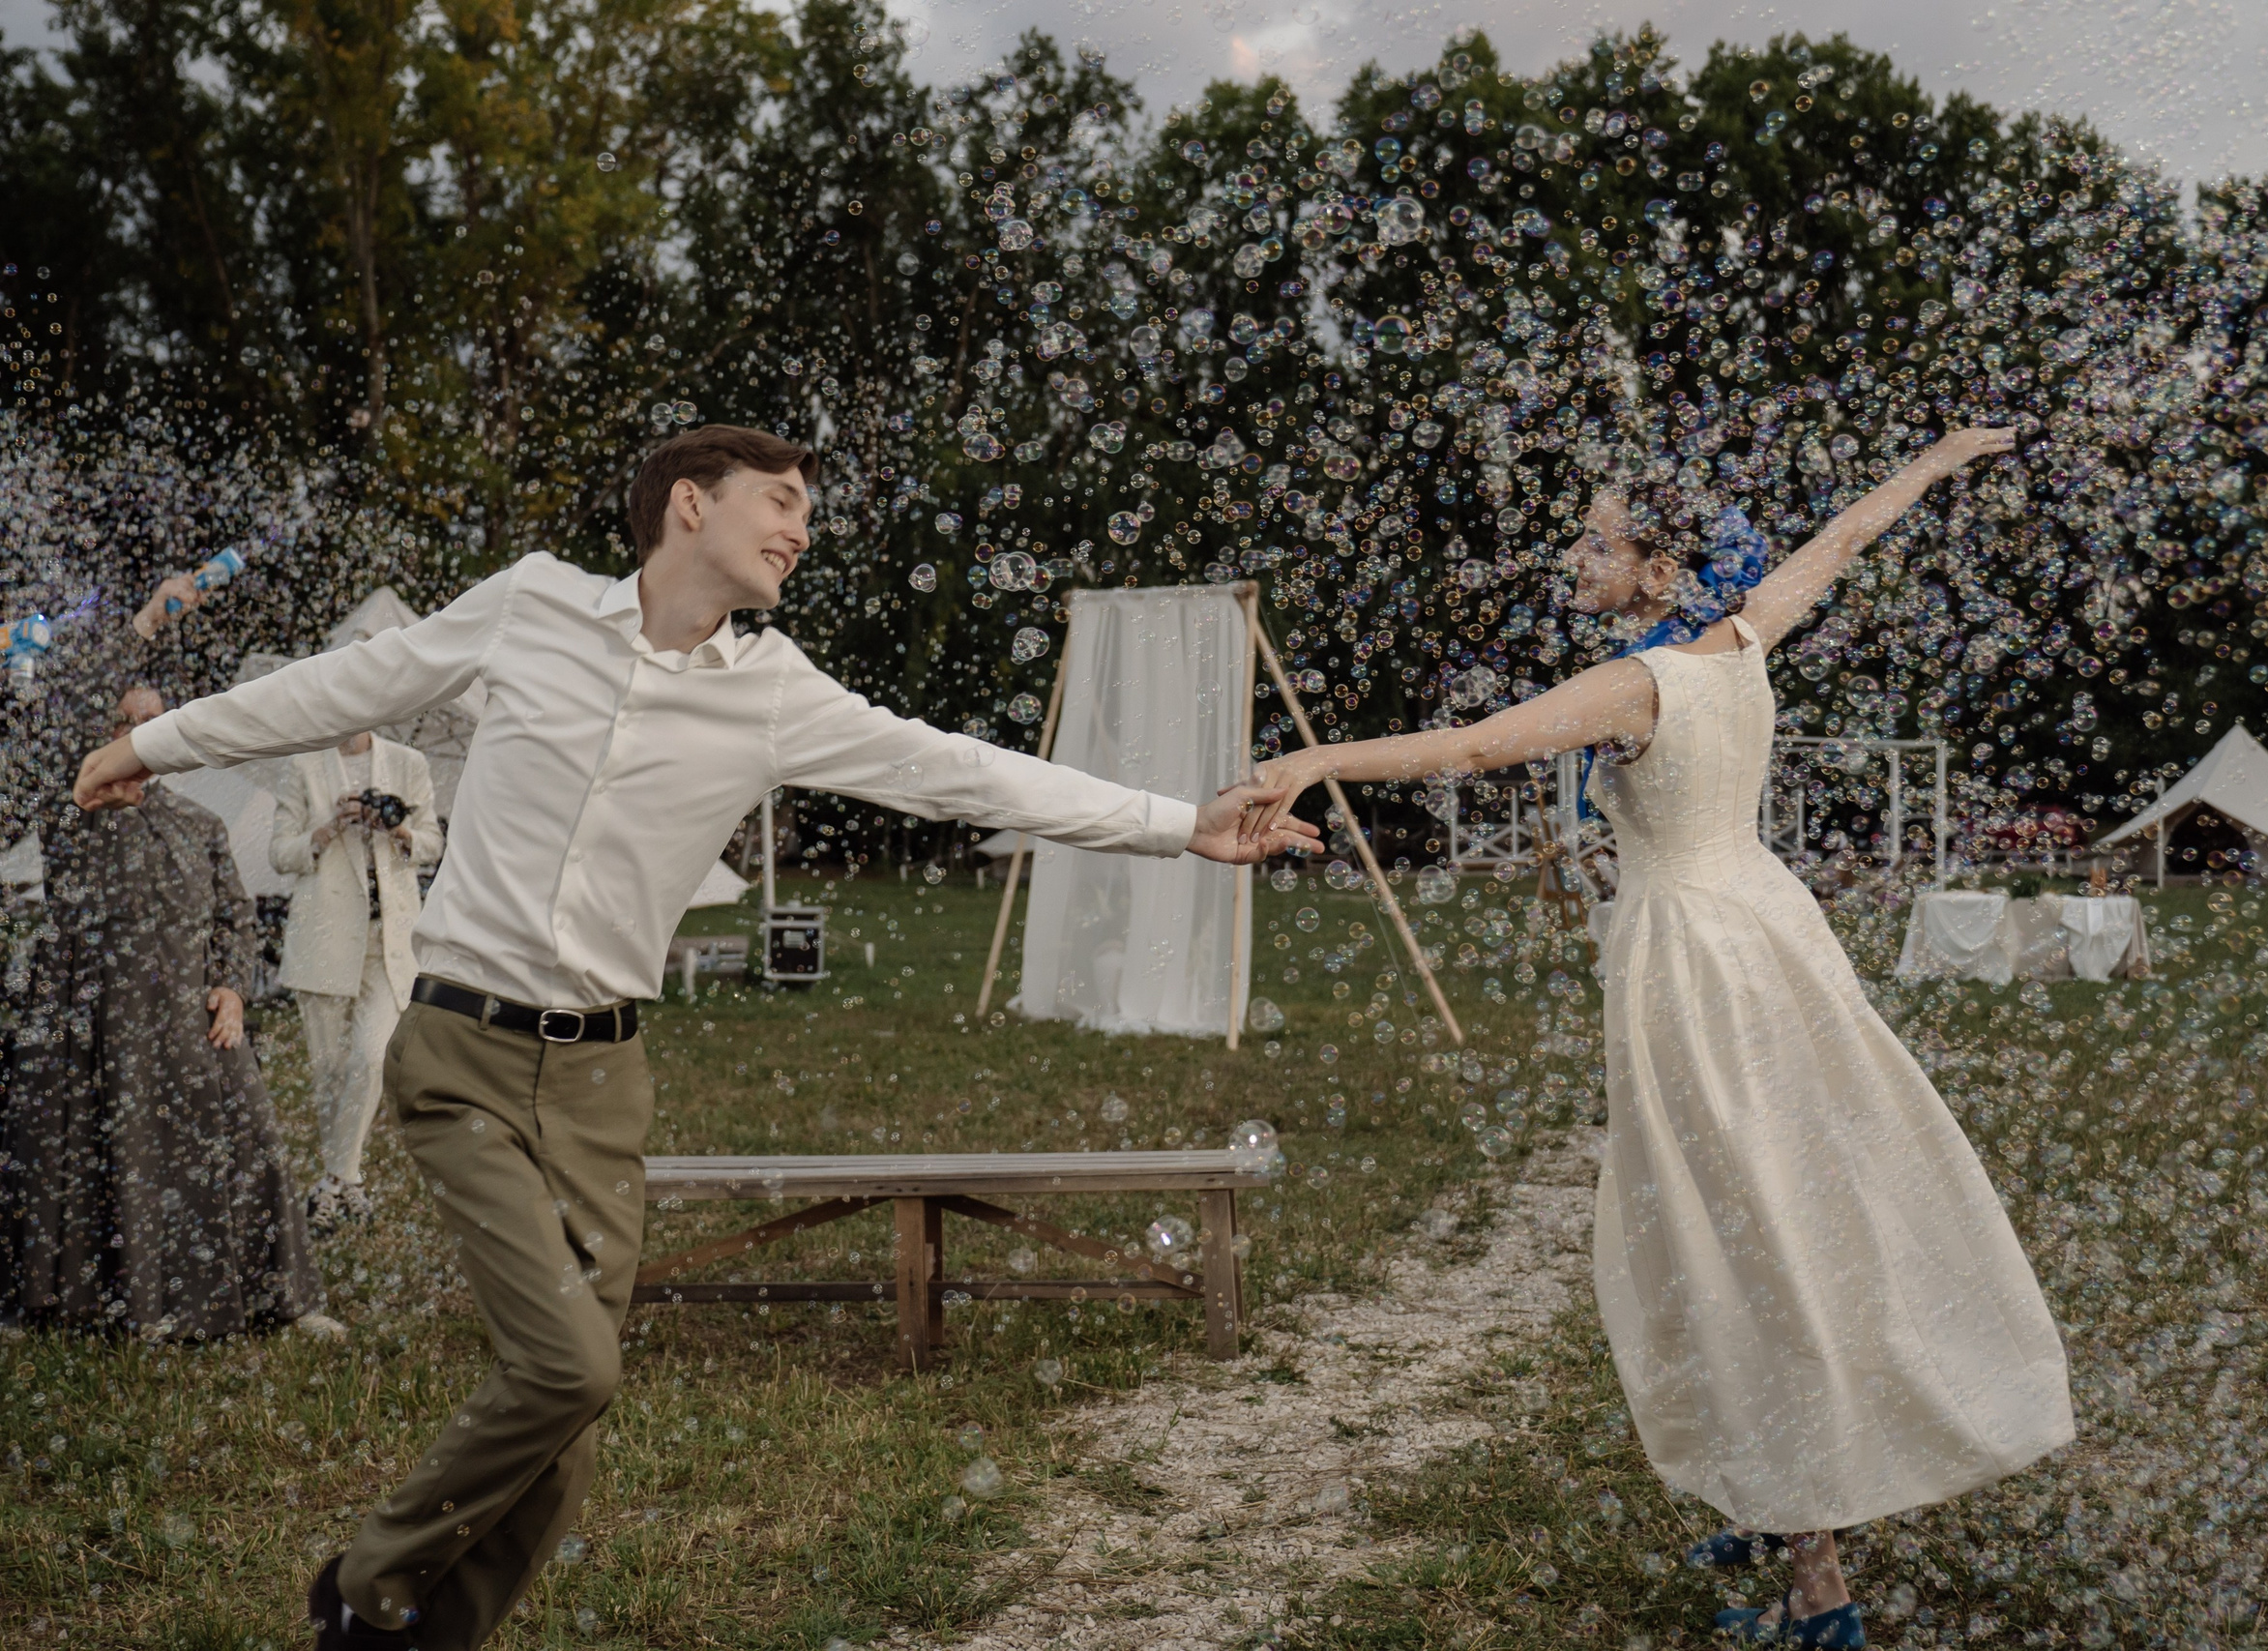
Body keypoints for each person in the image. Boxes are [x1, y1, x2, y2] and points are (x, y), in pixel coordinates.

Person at [70, 423, 1320, 1651]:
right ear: (687, 502)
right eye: (778, 501)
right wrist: (146, 742)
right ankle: (366, 1585)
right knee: (566, 1369)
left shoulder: (775, 693)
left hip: (604, 1080)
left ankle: (417, 1632)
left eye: (806, 514)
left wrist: (1177, 824)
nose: (798, 530)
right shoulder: (530, 606)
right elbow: (336, 689)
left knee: (562, 1427)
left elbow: (962, 772)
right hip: (462, 1053)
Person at [1240, 427, 2074, 1648]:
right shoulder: (1746, 636)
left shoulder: (1636, 685)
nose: (1575, 553)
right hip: (1769, 934)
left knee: (1736, 1230)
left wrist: (1312, 755)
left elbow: (1473, 748)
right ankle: (1771, 1489)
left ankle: (1817, 1579)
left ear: (1660, 565)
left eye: (1598, 538)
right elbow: (1842, 538)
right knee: (1784, 1199)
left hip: (1692, 959)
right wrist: (1939, 458)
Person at [2, 681, 331, 1341]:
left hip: (191, 1019)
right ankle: (74, 1301)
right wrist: (88, 802)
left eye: (152, 723)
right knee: (86, 1152)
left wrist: (232, 986)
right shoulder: (70, 819)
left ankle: (281, 1296)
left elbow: (236, 917)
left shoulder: (200, 824)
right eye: (127, 723)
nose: (139, 736)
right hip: (97, 1026)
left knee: (253, 1140)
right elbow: (62, 893)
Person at [270, 729, 443, 1230]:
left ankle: (336, 1179)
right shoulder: (303, 765)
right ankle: (343, 1182)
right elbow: (280, 853)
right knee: (329, 1073)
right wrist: (326, 830)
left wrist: (398, 830)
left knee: (370, 1058)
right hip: (323, 938)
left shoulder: (408, 763)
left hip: (386, 941)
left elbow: (433, 841)